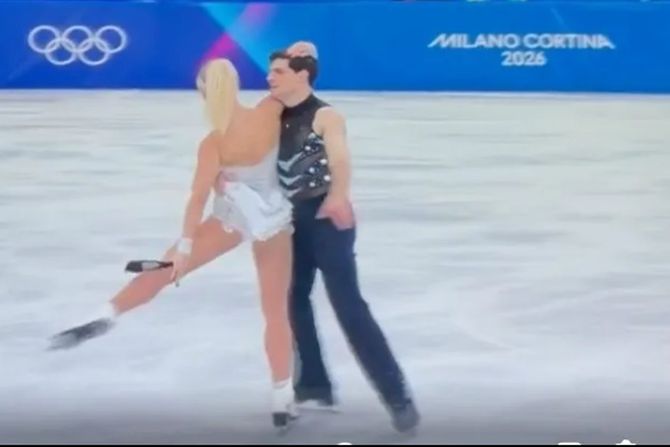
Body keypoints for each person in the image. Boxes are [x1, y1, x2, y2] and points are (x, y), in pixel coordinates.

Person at [48, 58, 298, 429]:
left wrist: (184, 249)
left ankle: (106, 313)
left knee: (163, 270)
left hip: (229, 221)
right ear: (235, 86)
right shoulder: (269, 110)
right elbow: (299, 69)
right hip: (273, 224)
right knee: (275, 313)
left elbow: (197, 199)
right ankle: (281, 398)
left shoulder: (213, 143)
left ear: (204, 95)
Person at [266, 44, 420, 433]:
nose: (269, 78)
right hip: (289, 221)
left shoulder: (326, 115)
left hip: (326, 218)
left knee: (349, 306)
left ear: (302, 75)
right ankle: (314, 385)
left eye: (278, 72)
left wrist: (337, 196)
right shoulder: (269, 113)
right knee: (292, 298)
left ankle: (397, 396)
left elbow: (339, 159)